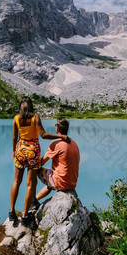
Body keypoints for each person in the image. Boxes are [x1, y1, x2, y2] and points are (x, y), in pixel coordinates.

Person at [9, 96, 67, 226]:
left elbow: (14, 137)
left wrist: (14, 152)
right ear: (31, 106)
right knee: (30, 184)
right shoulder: (35, 117)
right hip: (33, 152)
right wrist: (60, 136)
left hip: (20, 150)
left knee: (16, 181)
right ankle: (24, 215)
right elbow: (44, 135)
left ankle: (12, 212)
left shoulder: (16, 118)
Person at [32, 118, 80, 207]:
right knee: (51, 178)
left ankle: (31, 199)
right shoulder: (74, 143)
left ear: (57, 129)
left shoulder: (56, 145)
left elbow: (40, 163)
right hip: (72, 183)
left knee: (34, 169)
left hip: (61, 182)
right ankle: (34, 199)